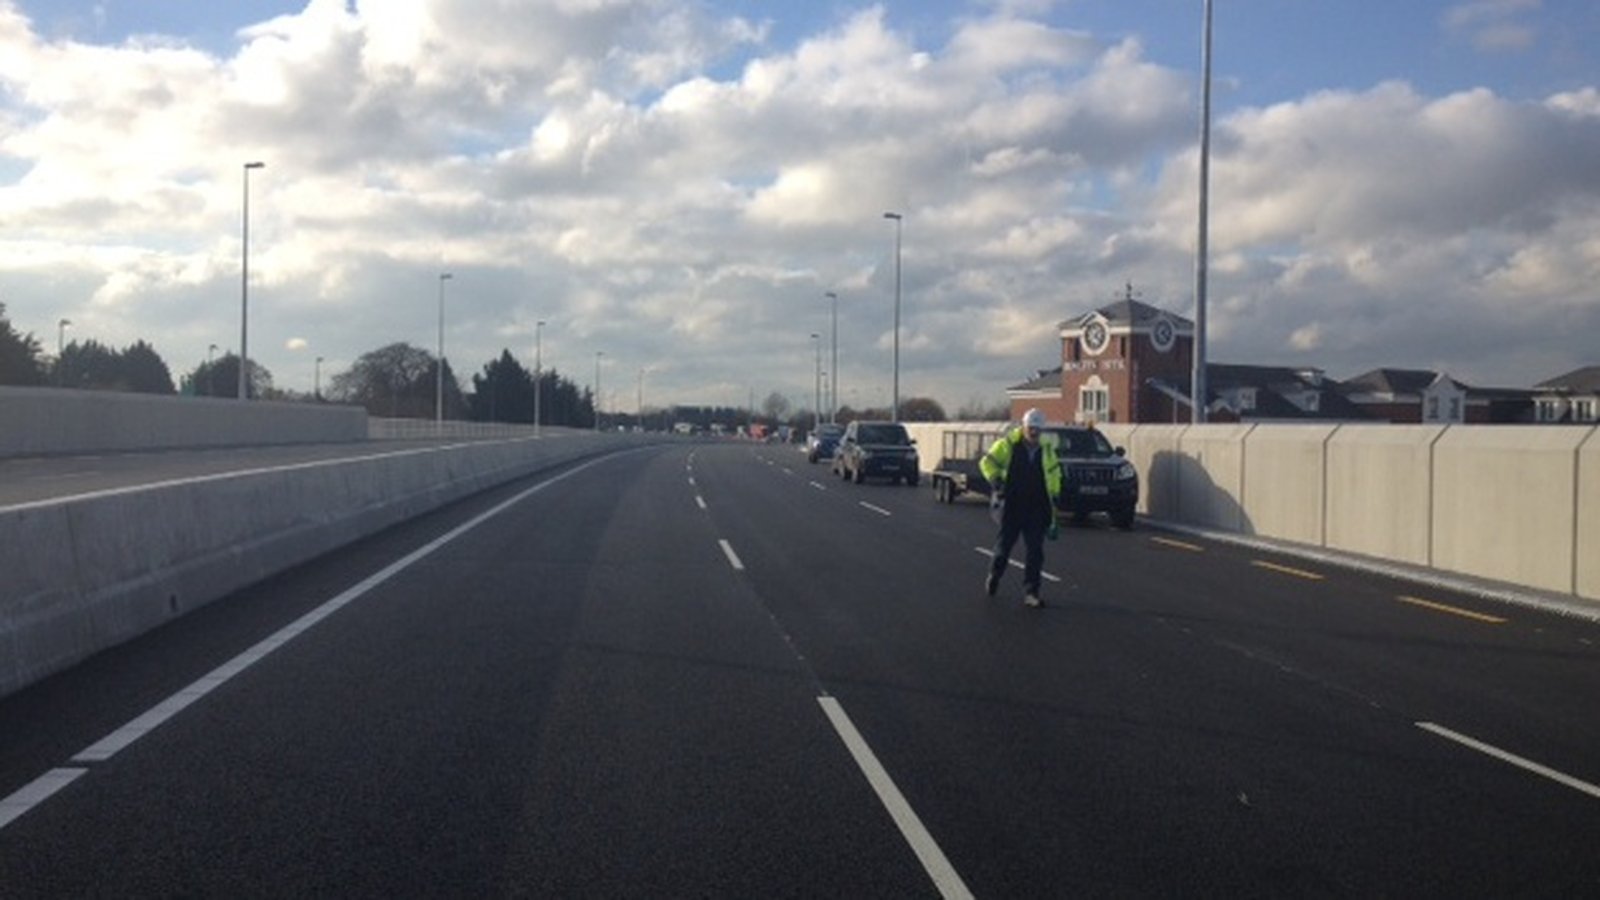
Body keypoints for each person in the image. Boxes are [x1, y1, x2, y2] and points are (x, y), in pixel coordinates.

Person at [979, 408, 1062, 608]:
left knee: (1035, 551)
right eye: (1031, 428)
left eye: (1038, 429)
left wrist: (1056, 497)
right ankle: (995, 574)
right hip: (1012, 504)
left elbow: (1054, 473)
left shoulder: (1047, 450)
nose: (1034, 433)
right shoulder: (1007, 445)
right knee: (1004, 547)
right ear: (1023, 427)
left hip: (1037, 506)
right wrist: (996, 482)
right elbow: (986, 462)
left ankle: (1031, 592)